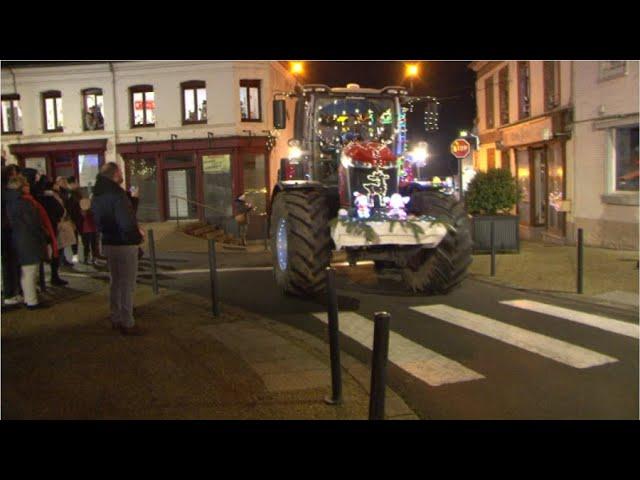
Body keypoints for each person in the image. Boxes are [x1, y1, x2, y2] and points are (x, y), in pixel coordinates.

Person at [92, 162, 144, 335]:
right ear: (115, 174)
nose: (122, 174)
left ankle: (116, 316)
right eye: (120, 172)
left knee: (115, 281)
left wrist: (132, 200)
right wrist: (137, 237)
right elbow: (126, 221)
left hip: (108, 241)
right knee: (127, 283)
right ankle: (127, 321)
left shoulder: (98, 194)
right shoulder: (117, 194)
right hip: (124, 243)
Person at [5, 175, 48, 309]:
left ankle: (29, 298)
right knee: (30, 270)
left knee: (26, 270)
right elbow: (33, 222)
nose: (29, 187)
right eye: (26, 185)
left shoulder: (11, 201)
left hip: (20, 237)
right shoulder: (24, 202)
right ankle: (32, 301)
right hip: (28, 238)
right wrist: (42, 233)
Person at [38, 179, 69, 286]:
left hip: (47, 227)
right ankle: (54, 276)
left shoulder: (40, 197)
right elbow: (60, 209)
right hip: (52, 226)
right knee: (55, 251)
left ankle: (47, 278)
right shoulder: (50, 197)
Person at [2, 164, 23, 305]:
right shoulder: (5, 191)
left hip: (10, 229)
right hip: (5, 230)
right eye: (12, 174)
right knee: (8, 262)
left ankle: (15, 291)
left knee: (14, 262)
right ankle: (9, 293)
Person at [66, 176, 83, 264]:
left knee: (80, 236)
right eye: (76, 182)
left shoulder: (77, 193)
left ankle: (79, 254)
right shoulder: (69, 194)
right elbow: (70, 208)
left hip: (79, 217)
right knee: (74, 237)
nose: (78, 184)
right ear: (72, 184)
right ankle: (75, 255)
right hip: (73, 218)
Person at [79, 197, 99, 265]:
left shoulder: (91, 210)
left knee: (90, 245)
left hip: (90, 230)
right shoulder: (84, 211)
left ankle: (90, 258)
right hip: (89, 230)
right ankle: (89, 258)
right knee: (89, 245)